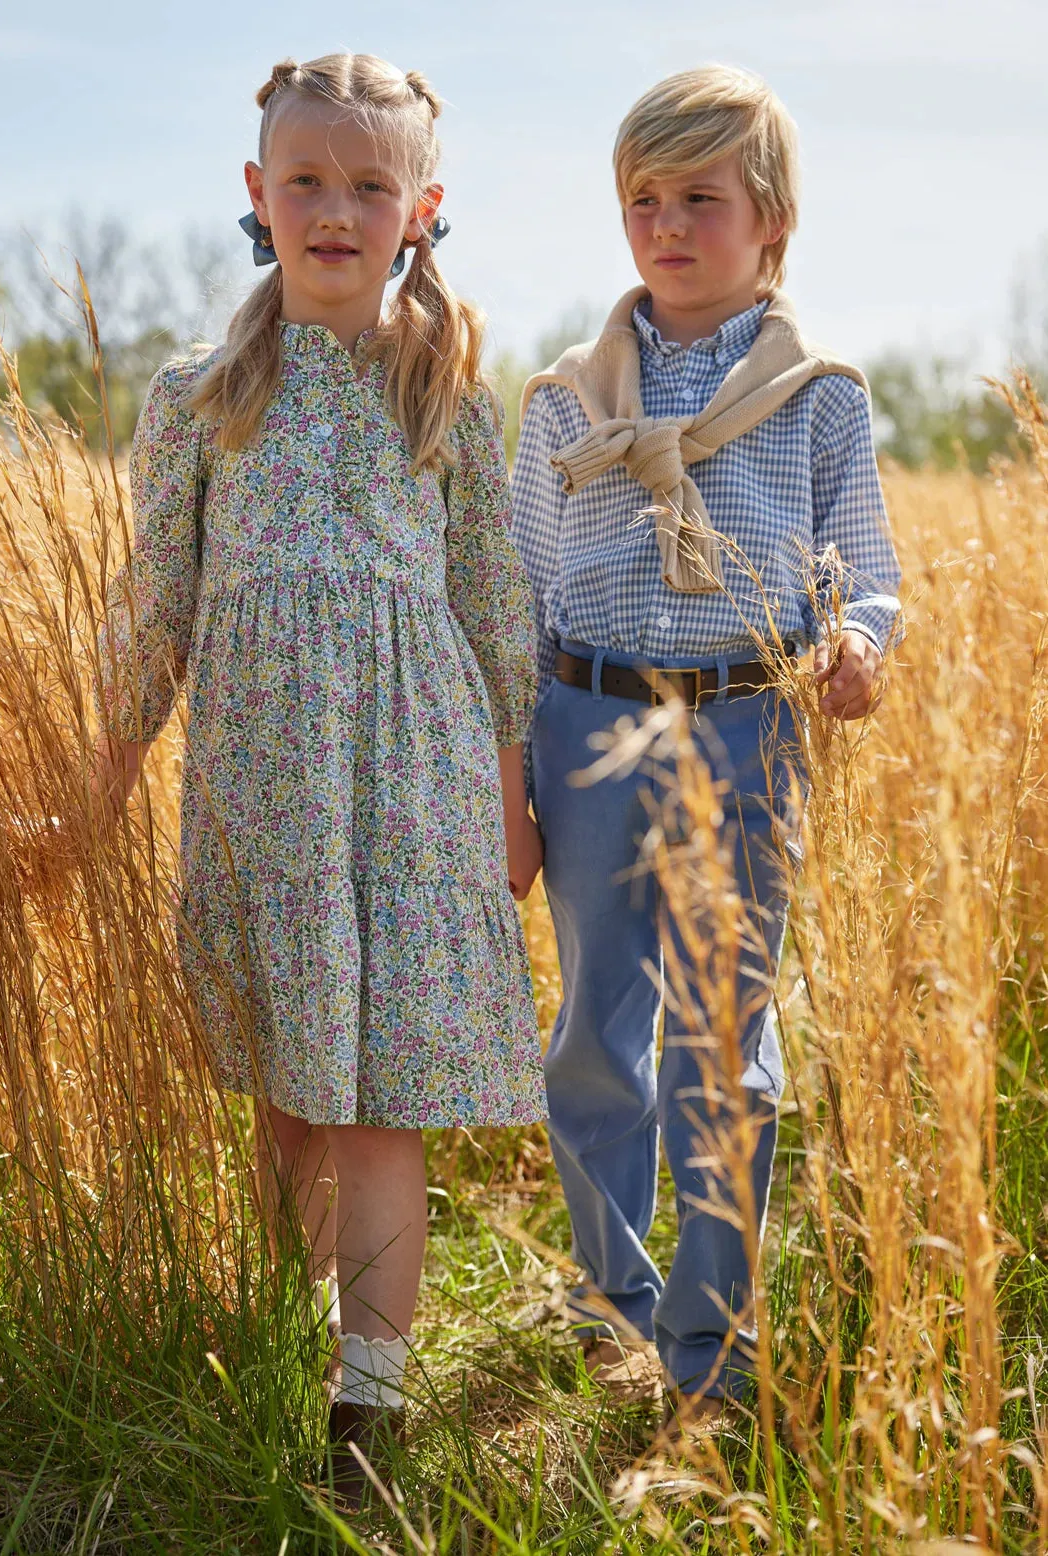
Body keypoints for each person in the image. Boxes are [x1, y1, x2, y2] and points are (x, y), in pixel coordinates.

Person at [89, 52, 546, 1502]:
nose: (334, 208)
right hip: (258, 789)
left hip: (412, 792)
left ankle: (372, 1407)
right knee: (289, 1090)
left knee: (376, 1103)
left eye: (367, 184)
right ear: (257, 195)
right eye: (307, 181)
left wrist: (514, 793)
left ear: (421, 207)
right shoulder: (199, 397)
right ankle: (291, 1338)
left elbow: (492, 607)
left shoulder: (447, 387)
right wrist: (95, 789)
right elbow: (153, 611)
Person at [510, 64, 902, 1443]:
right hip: (588, 720)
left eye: (700, 200)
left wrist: (853, 639)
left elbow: (869, 569)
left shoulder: (821, 398)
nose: (666, 225)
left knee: (725, 1042)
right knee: (595, 1030)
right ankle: (609, 1304)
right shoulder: (570, 398)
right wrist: (513, 767)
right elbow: (520, 594)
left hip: (746, 722)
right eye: (643, 201)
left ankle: (709, 1342)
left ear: (774, 221)